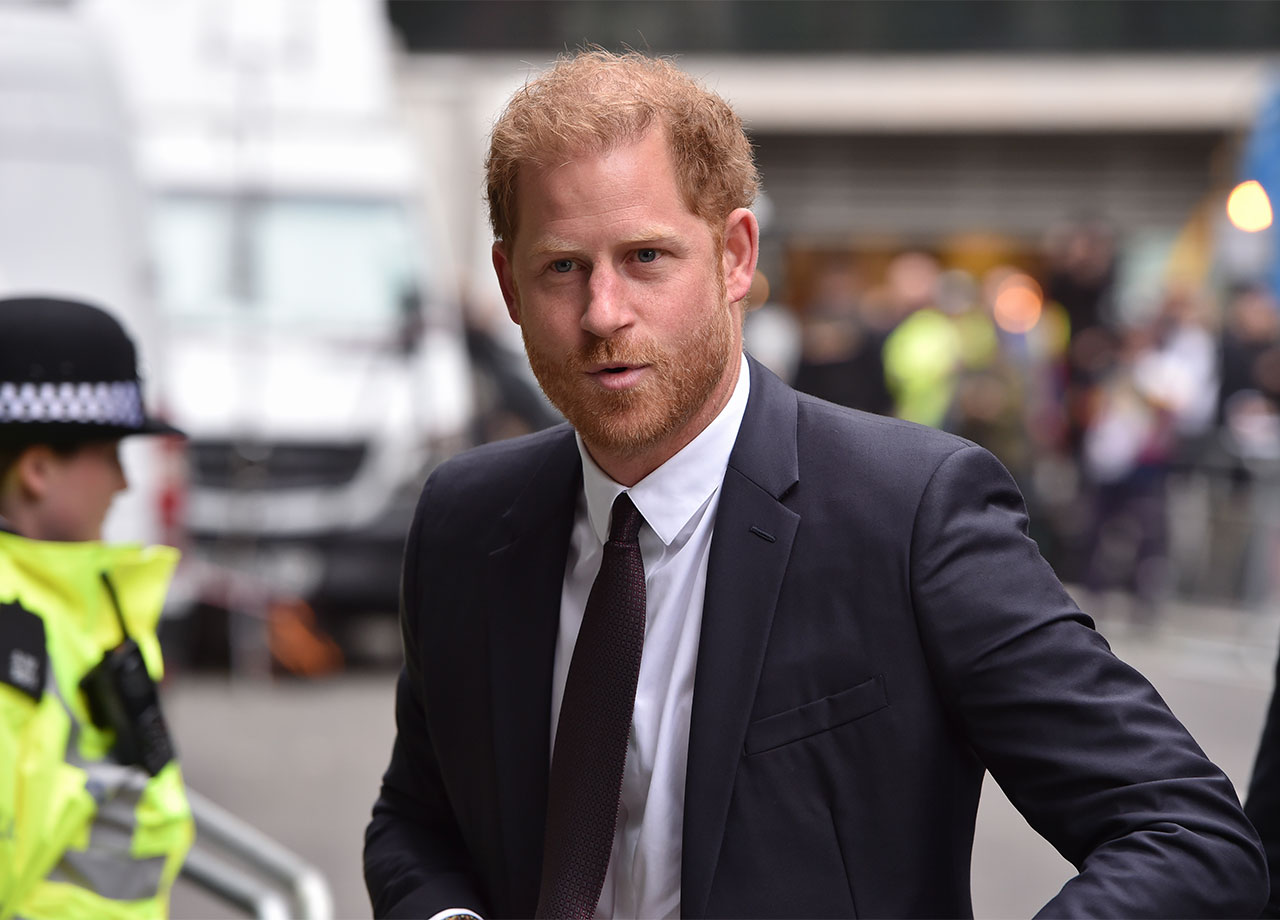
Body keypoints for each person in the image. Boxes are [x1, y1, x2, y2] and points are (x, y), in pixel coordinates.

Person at [363, 50, 1267, 919]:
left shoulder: (911, 514)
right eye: (563, 267)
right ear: (508, 285)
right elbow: (417, 821)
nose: (604, 313)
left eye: (646, 257)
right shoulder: (464, 521)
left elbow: (1186, 835)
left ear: (736, 257)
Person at [0, 296, 194, 918]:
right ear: (37, 469)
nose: (124, 483)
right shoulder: (14, 628)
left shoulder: (73, 599)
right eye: (111, 455)